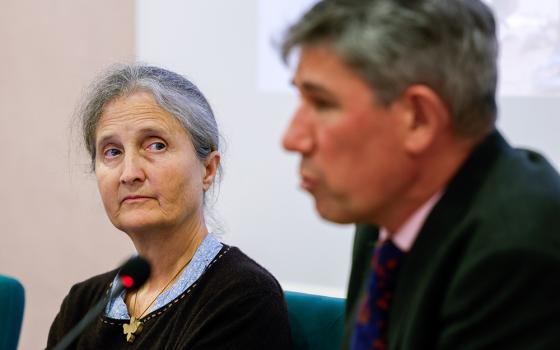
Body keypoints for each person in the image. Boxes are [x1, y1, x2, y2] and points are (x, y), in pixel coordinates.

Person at [280, 0, 560, 349]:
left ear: (419, 118)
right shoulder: (386, 211)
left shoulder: (519, 249)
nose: (292, 139)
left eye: (321, 104)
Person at [47, 65, 292, 349]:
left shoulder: (243, 296)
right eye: (112, 152)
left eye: (155, 146)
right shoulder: (83, 305)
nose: (129, 173)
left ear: (208, 170)